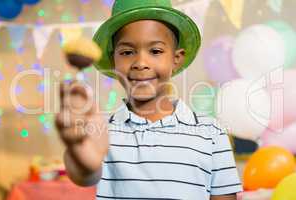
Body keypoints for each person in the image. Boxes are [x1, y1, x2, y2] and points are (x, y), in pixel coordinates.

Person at [55, 0, 243, 199]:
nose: (140, 63)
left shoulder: (211, 133)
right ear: (113, 60)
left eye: (155, 51)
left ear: (176, 59)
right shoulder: (100, 131)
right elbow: (85, 174)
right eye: (127, 52)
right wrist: (80, 153)